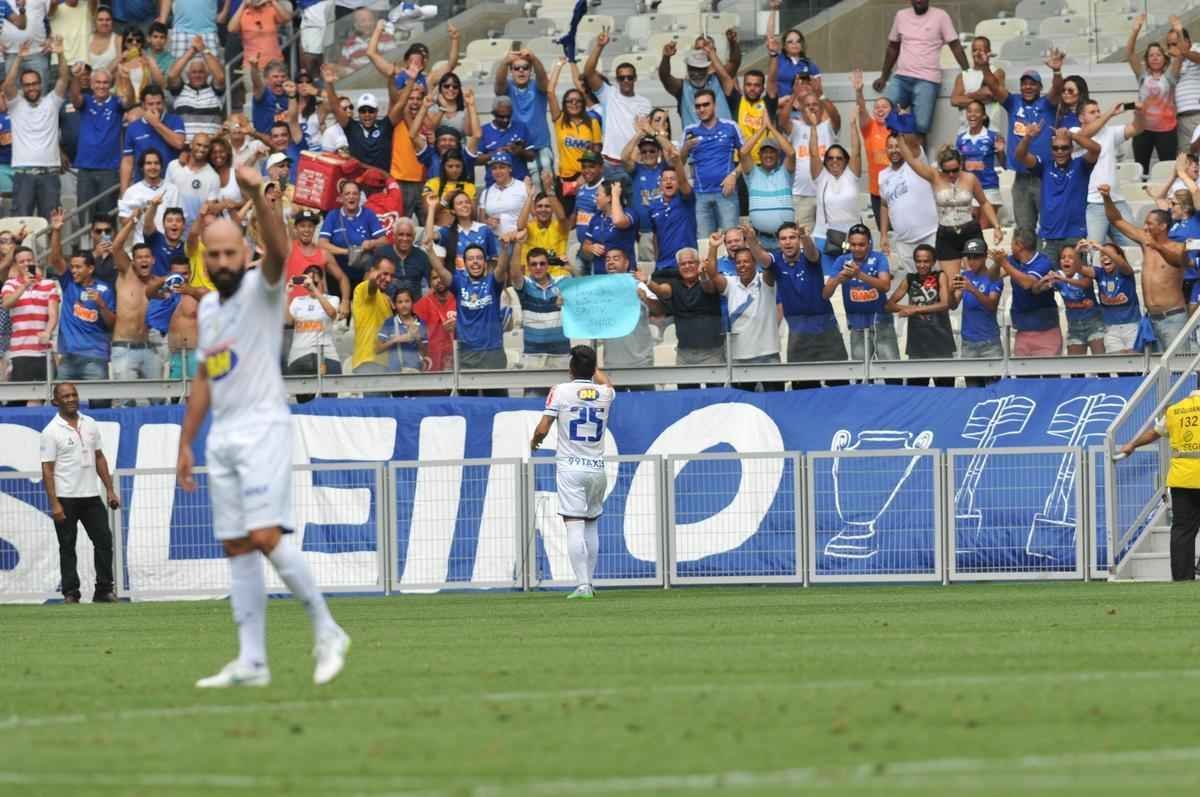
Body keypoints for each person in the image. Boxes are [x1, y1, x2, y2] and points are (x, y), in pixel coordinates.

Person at [178, 165, 350, 689]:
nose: (224, 260)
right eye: (215, 254)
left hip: (264, 428)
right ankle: (252, 661)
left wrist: (256, 192)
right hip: (224, 435)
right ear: (205, 259)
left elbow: (279, 250)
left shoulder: (262, 287)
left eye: (232, 252)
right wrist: (188, 439)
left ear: (245, 254)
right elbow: (208, 373)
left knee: (264, 535)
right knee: (236, 545)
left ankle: (328, 629)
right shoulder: (207, 309)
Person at [530, 345, 615, 599]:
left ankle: (583, 585)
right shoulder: (605, 394)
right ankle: (589, 582)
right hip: (597, 468)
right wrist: (592, 367)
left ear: (570, 369)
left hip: (570, 468)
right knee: (591, 525)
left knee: (574, 526)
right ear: (591, 369)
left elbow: (544, 426)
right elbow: (607, 383)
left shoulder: (560, 391)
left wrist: (534, 441)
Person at [40, 382, 121, 604]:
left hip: (91, 496)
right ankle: (71, 593)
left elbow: (99, 457)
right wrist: (54, 503)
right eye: (65, 396)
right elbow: (47, 470)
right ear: (56, 400)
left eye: (74, 394)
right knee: (67, 546)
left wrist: (110, 490)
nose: (71, 398)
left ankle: (104, 590)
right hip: (65, 497)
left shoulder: (90, 423)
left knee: (104, 540)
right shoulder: (51, 431)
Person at [1119, 381, 1200, 580]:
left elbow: (1154, 433)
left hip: (1181, 479)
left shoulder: (1175, 410)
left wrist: (1132, 445)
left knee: (1182, 529)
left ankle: (1182, 578)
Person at [897, 137, 1001, 282]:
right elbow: (912, 161)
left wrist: (996, 226)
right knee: (954, 284)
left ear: (961, 165)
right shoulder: (934, 176)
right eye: (947, 171)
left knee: (977, 279)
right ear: (941, 168)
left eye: (955, 170)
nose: (951, 175)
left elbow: (984, 203)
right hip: (947, 234)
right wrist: (900, 139)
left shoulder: (970, 179)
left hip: (969, 230)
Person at [1100, 184, 1190, 350]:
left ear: (1162, 227)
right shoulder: (1145, 241)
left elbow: (1179, 261)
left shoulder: (1177, 247)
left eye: (1149, 224)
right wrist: (1106, 198)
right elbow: (1116, 220)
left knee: (1179, 368)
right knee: (1154, 370)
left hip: (1173, 319)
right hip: (1150, 319)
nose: (1144, 227)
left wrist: (1158, 247)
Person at [982, 57, 1064, 237]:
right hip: (1020, 179)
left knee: (1050, 227)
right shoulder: (1013, 103)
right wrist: (985, 66)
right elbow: (994, 86)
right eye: (1024, 84)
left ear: (1040, 88)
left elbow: (1058, 88)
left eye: (1032, 84)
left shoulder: (1047, 105)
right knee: (1024, 231)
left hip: (1044, 176)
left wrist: (1057, 71)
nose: (1028, 87)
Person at [872, 0, 968, 139]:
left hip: (927, 80)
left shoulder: (941, 16)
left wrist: (968, 73)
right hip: (901, 78)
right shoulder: (901, 16)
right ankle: (892, 159)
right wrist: (884, 77)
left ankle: (919, 161)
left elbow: (955, 46)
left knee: (920, 127)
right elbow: (893, 47)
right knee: (886, 115)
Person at [1014, 123, 1099, 267]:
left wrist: (1071, 135)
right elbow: (1020, 155)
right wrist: (1028, 137)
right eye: (1056, 148)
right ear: (1051, 150)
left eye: (1065, 147)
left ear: (1071, 149)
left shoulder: (1081, 165)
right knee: (1046, 284)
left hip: (1074, 236)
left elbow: (1096, 149)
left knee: (1076, 282)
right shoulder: (1044, 166)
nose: (1060, 151)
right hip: (1048, 237)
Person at [704, 228, 780, 385]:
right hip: (739, 356)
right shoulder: (730, 284)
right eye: (738, 262)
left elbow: (768, 265)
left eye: (746, 261)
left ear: (754, 262)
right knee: (744, 404)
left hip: (768, 354)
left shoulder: (766, 281)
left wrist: (751, 240)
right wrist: (713, 247)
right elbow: (711, 273)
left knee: (775, 402)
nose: (742, 265)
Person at [4, 38, 69, 217]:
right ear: (22, 87)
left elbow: (64, 78)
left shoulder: (52, 102)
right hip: (23, 175)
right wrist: (18, 58)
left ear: (40, 84)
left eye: (34, 84)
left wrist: (60, 54)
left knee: (50, 224)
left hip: (50, 175)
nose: (31, 88)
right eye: (27, 85)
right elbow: (8, 85)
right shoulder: (16, 104)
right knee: (21, 223)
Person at [582, 31, 654, 182]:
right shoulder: (609, 94)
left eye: (629, 77)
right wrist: (599, 47)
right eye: (622, 78)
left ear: (635, 78)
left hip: (634, 162)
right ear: (617, 79)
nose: (626, 80)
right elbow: (588, 72)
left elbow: (644, 132)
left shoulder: (645, 103)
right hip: (610, 163)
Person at [1073, 101, 1142, 247]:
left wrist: (1140, 112)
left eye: (1098, 111)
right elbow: (1083, 135)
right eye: (1092, 112)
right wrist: (1110, 113)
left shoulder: (1109, 132)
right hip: (1092, 202)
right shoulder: (1073, 131)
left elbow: (1137, 128)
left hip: (1117, 200)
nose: (1098, 114)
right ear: (1080, 118)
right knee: (1094, 251)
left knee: (1134, 247)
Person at [825, 224, 897, 363]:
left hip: (881, 323)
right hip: (856, 324)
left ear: (869, 243)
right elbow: (826, 294)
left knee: (891, 371)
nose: (857, 248)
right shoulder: (842, 260)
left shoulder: (879, 258)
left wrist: (860, 275)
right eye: (853, 244)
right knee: (860, 373)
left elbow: (885, 286)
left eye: (861, 245)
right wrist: (839, 278)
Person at [886, 243, 955, 386]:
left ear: (933, 262)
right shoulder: (910, 279)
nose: (922, 265)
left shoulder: (940, 276)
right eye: (918, 261)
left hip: (940, 340)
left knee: (945, 390)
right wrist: (907, 308)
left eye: (926, 261)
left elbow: (945, 304)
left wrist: (915, 310)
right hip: (917, 343)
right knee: (916, 390)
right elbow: (889, 305)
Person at [645, 247, 725, 369]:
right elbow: (661, 291)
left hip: (712, 354)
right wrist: (648, 281)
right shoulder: (673, 284)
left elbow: (707, 286)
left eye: (691, 262)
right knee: (686, 389)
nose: (687, 266)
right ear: (678, 267)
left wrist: (703, 273)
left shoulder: (709, 282)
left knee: (715, 388)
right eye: (683, 264)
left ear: (698, 264)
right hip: (683, 354)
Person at [806, 112, 863, 277]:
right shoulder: (821, 176)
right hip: (825, 238)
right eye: (830, 158)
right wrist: (814, 128)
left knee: (856, 281)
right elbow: (814, 153)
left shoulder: (852, 174)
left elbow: (857, 152)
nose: (834, 161)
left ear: (846, 160)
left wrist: (853, 125)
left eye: (839, 158)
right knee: (829, 281)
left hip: (855, 238)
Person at [682, 88, 743, 239]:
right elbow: (678, 162)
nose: (701, 109)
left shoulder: (731, 126)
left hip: (726, 193)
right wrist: (685, 148)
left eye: (706, 104)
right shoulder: (690, 130)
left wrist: (734, 175)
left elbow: (747, 160)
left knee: (732, 240)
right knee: (704, 242)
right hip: (700, 195)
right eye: (698, 106)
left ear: (714, 105)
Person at [52, 243, 116, 389]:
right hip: (68, 357)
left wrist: (101, 304)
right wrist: (56, 230)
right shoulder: (68, 283)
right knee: (60, 402)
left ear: (91, 268)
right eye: (72, 267)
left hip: (95, 357)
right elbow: (55, 259)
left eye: (78, 267)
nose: (73, 271)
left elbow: (112, 324)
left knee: (100, 404)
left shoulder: (104, 290)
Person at [878, 133, 938, 286]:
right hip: (904, 242)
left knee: (936, 283)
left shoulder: (916, 163)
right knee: (916, 286)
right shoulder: (883, 175)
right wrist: (884, 234)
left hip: (929, 235)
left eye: (897, 146)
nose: (894, 150)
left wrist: (901, 127)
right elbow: (885, 205)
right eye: (890, 147)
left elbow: (914, 143)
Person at [2, 247, 60, 401]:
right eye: (22, 262)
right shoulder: (10, 284)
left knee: (44, 397)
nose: (27, 264)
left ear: (35, 261)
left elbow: (53, 313)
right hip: (20, 350)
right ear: (16, 265)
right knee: (20, 398)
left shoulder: (48, 284)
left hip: (43, 350)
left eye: (29, 260)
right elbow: (6, 303)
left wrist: (48, 332)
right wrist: (24, 285)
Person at [1126, 14, 1181, 176]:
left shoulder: (1170, 76)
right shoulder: (1142, 75)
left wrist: (1179, 31)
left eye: (1158, 54)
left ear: (1164, 58)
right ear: (1147, 59)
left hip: (1167, 130)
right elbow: (1129, 53)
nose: (1155, 57)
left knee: (1167, 171)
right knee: (1140, 171)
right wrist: (1135, 30)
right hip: (1142, 130)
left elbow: (1181, 52)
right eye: (1151, 55)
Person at [71, 65, 125, 225]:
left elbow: (128, 99)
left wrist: (125, 77)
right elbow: (75, 97)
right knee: (85, 215)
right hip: (85, 169)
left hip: (109, 170)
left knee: (106, 216)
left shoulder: (116, 102)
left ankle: (107, 249)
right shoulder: (86, 101)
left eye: (105, 82)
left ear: (110, 84)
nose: (101, 86)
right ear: (92, 84)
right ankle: (87, 249)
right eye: (98, 82)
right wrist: (75, 77)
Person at [778, 90, 837, 230]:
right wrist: (793, 96)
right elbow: (782, 120)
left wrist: (821, 94)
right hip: (801, 195)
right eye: (807, 105)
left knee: (831, 237)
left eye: (815, 104)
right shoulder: (796, 126)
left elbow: (836, 116)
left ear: (821, 107)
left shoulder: (828, 126)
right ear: (801, 109)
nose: (811, 107)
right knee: (803, 238)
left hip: (827, 194)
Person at [950, 239, 1004, 386]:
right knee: (973, 394)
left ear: (985, 256)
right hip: (968, 343)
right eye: (969, 257)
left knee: (995, 393)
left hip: (990, 344)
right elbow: (953, 305)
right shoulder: (965, 275)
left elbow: (992, 306)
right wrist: (950, 290)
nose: (971, 261)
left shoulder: (994, 277)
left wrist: (972, 289)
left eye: (976, 257)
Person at [495, 48, 553, 184]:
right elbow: (499, 86)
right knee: (522, 189)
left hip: (541, 146)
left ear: (530, 70)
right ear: (511, 71)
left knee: (547, 187)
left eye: (525, 67)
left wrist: (534, 58)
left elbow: (544, 81)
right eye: (516, 68)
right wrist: (505, 62)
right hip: (517, 148)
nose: (521, 71)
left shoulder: (538, 86)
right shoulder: (508, 87)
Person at [1001, 228, 1061, 357]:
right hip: (1022, 332)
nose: (1010, 247)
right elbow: (993, 277)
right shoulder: (1012, 261)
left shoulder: (1044, 262)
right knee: (1023, 377)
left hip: (1046, 332)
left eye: (1011, 243)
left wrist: (1004, 264)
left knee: (1050, 376)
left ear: (1019, 245)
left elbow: (1028, 283)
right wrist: (997, 263)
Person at [510, 246, 569, 374]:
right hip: (533, 354)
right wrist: (518, 245)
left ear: (548, 265)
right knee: (532, 394)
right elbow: (514, 274)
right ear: (528, 266)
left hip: (561, 354)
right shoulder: (524, 284)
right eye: (534, 264)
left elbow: (583, 285)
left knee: (560, 394)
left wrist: (570, 267)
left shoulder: (562, 282)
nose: (538, 267)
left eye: (542, 263)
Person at [319, 180, 388, 287]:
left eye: (355, 193)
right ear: (341, 197)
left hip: (362, 273)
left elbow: (384, 241)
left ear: (360, 197)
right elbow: (322, 244)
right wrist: (347, 252)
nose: (351, 196)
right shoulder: (333, 215)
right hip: (337, 274)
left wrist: (371, 243)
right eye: (347, 193)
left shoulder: (368, 214)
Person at [286, 265, 343, 395]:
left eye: (315, 282)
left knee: (331, 401)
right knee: (303, 404)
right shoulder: (297, 301)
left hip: (326, 354)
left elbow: (332, 314)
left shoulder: (332, 299)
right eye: (308, 283)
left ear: (322, 281)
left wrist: (314, 289)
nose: (311, 285)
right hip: (300, 354)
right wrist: (286, 295)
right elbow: (289, 322)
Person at [599, 249, 657, 373]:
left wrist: (645, 299)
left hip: (641, 362)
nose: (610, 262)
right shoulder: (599, 290)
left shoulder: (640, 285)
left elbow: (659, 311)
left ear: (626, 263)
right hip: (611, 363)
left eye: (616, 258)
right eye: (607, 259)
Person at [119, 84, 186, 191]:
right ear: (143, 105)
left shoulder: (175, 120)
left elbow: (179, 143)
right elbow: (127, 161)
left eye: (159, 103)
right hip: (142, 187)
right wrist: (123, 191)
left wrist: (156, 124)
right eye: (151, 104)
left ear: (164, 103)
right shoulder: (133, 127)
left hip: (171, 186)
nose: (155, 108)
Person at [1044, 245, 1105, 356]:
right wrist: (1045, 281)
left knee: (1101, 366)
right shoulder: (1058, 275)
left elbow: (1085, 284)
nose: (1066, 259)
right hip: (1074, 327)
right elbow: (1040, 288)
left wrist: (1063, 279)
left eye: (1071, 257)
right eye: (1063, 257)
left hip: (1094, 324)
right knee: (1076, 369)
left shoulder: (1084, 273)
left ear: (1078, 261)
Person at [740, 127, 795, 251]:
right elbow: (743, 152)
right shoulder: (752, 173)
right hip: (759, 240)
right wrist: (762, 129)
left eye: (772, 152)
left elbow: (791, 153)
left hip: (785, 240)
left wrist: (771, 127)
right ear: (759, 155)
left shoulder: (785, 173)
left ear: (778, 155)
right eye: (765, 152)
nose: (768, 155)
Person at [1082, 241, 1140, 354]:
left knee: (1135, 365)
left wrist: (1100, 247)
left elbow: (1123, 264)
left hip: (1132, 327)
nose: (1105, 257)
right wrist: (1077, 252)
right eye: (1102, 255)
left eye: (1109, 254)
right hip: (1110, 329)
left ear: (1119, 256)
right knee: (1119, 368)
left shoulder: (1125, 271)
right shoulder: (1100, 273)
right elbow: (1077, 268)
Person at [659, 42, 734, 130]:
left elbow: (733, 65)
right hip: (696, 141)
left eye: (700, 69)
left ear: (707, 68)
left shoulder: (718, 80)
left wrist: (712, 53)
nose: (696, 73)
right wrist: (666, 57)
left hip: (725, 139)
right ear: (687, 68)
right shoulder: (682, 87)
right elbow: (665, 77)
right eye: (692, 69)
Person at [852, 68, 893, 227]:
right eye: (877, 107)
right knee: (884, 232)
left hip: (897, 189)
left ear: (892, 110)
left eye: (885, 106)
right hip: (877, 191)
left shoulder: (899, 128)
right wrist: (859, 92)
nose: (880, 109)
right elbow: (862, 110)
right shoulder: (870, 128)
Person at [164, 38, 226, 140]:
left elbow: (220, 77)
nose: (197, 75)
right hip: (185, 148)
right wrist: (192, 51)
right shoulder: (180, 91)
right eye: (194, 72)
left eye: (201, 72)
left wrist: (203, 49)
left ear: (207, 74)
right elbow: (171, 75)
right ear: (188, 74)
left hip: (211, 147)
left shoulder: (215, 91)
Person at [648, 156, 697, 272]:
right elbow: (655, 237)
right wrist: (657, 261)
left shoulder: (686, 199)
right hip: (662, 265)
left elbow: (684, 182)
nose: (668, 182)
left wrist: (678, 162)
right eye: (665, 179)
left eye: (672, 179)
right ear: (660, 184)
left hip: (685, 264)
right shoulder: (653, 207)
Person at [580, 179, 636, 276]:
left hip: (624, 276)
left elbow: (618, 221)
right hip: (600, 275)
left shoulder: (629, 213)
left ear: (609, 198)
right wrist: (590, 248)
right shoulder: (596, 218)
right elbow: (585, 245)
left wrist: (615, 195)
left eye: (598, 195)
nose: (595, 198)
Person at [950, 36, 1005, 134]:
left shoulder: (997, 72)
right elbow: (955, 100)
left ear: (989, 51)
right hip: (965, 134)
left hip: (991, 132)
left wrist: (966, 96)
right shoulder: (963, 75)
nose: (978, 53)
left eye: (981, 50)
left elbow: (989, 93)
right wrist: (979, 97)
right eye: (974, 50)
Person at [350, 259, 396, 375]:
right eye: (385, 274)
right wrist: (373, 279)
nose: (388, 279)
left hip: (386, 364)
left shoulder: (386, 299)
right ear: (372, 271)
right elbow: (371, 287)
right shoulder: (362, 288)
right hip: (368, 362)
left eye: (391, 275)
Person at [412, 268, 456, 374]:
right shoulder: (421, 305)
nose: (439, 280)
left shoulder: (460, 300)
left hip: (457, 359)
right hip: (432, 361)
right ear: (430, 283)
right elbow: (416, 336)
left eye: (441, 276)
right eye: (434, 278)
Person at [376, 287, 428, 375]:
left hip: (415, 372)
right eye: (400, 302)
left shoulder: (420, 323)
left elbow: (425, 353)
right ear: (395, 305)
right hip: (394, 372)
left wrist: (418, 338)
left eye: (407, 301)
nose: (404, 305)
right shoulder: (389, 322)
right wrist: (396, 340)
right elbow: (378, 349)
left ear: (412, 303)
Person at [1167, 16, 1200, 153]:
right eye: (1169, 45)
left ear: (1187, 42)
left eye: (1175, 43)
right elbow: (1171, 79)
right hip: (1181, 118)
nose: (1171, 48)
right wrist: (1180, 55)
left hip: (1198, 113)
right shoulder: (1170, 61)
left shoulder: (1197, 48)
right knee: (1186, 159)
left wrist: (1184, 51)